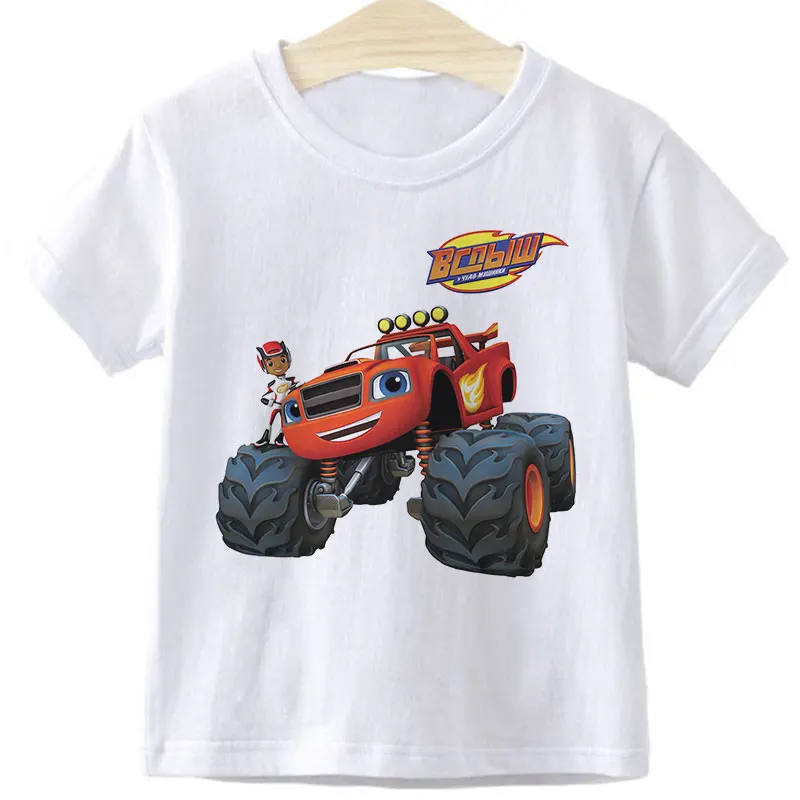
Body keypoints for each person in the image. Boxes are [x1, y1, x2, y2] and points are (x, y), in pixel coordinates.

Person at [255, 341, 297, 446]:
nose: (278, 365)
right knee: (269, 422)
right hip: (275, 405)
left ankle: (280, 438)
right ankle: (265, 437)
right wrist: (267, 401)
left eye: (282, 360)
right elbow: (266, 396)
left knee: (285, 423)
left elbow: (295, 389)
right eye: (271, 364)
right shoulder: (273, 384)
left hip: (285, 406)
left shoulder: (290, 381)